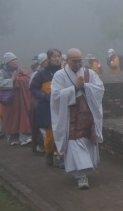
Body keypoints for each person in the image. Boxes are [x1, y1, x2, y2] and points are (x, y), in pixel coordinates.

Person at [51, 48, 104, 189]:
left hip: (87, 116)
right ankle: (81, 176)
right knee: (75, 144)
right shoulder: (60, 76)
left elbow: (99, 89)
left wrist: (85, 86)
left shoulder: (89, 73)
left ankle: (83, 170)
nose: (77, 64)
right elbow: (55, 96)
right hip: (71, 117)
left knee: (87, 142)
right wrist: (74, 88)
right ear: (67, 60)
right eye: (74, 61)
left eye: (80, 61)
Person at [30, 48, 64, 167]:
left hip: (62, 106)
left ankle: (61, 157)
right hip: (47, 107)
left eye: (58, 56)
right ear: (49, 59)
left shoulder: (64, 72)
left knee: (62, 133)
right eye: (54, 56)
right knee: (50, 134)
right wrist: (45, 96)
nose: (57, 58)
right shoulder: (41, 74)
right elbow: (33, 88)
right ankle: (49, 152)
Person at [0, 53, 33, 146]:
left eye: (16, 59)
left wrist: (20, 79)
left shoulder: (20, 70)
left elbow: (28, 79)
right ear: (7, 62)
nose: (15, 61)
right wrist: (11, 80)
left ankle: (24, 137)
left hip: (21, 99)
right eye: (12, 60)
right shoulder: (2, 72)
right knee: (12, 118)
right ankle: (14, 138)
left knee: (23, 116)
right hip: (9, 100)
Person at [29, 53, 49, 154]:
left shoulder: (51, 72)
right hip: (39, 102)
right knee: (40, 126)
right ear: (43, 62)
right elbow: (32, 88)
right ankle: (40, 146)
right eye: (47, 61)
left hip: (49, 102)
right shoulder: (36, 74)